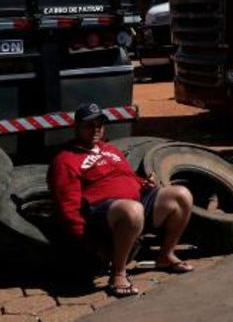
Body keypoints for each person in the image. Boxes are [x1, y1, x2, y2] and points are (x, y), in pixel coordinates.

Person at [48, 103, 194, 297]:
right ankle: (118, 273)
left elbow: (128, 176)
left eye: (99, 124)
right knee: (132, 210)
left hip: (136, 202)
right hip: (103, 213)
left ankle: (165, 255)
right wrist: (88, 242)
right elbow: (67, 205)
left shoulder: (111, 150)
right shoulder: (65, 160)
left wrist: (144, 183)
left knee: (181, 194)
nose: (95, 129)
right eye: (89, 125)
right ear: (77, 127)